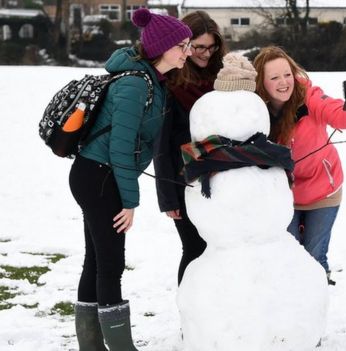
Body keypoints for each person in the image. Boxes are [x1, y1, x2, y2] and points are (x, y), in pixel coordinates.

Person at [69, 8, 192, 351]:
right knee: (110, 262)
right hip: (98, 176)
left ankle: (91, 346)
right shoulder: (136, 85)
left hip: (98, 174)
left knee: (97, 260)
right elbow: (121, 148)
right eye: (182, 45)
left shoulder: (151, 81)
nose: (188, 51)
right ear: (161, 47)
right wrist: (130, 201)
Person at [252, 46, 346, 284]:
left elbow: (339, 114)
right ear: (262, 82)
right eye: (275, 77)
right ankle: (290, 307)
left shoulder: (309, 97)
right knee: (287, 254)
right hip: (283, 194)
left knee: (314, 255)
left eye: (287, 74)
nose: (284, 82)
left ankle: (315, 307)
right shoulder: (255, 110)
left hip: (323, 189)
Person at [153, 10, 226, 285]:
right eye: (198, 47)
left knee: (218, 249)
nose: (205, 54)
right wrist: (168, 197)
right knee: (195, 249)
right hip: (183, 180)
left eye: (211, 46)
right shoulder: (170, 83)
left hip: (220, 177)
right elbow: (160, 145)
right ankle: (189, 312)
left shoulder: (223, 79)